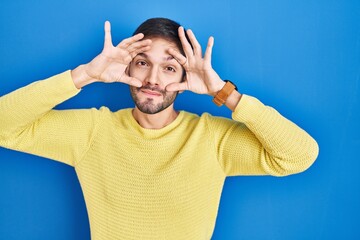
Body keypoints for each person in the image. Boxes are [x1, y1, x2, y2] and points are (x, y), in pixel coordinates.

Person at [0, 18, 319, 239]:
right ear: (127, 67)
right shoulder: (94, 131)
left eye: (169, 67)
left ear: (186, 78)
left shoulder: (211, 139)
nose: (153, 79)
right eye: (142, 62)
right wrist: (84, 75)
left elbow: (298, 156)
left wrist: (222, 92)